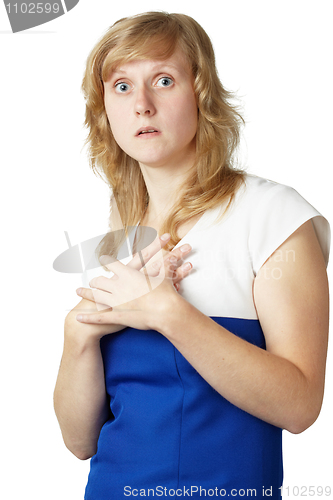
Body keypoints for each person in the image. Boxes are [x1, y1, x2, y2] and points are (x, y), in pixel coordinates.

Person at [53, 11, 330, 499]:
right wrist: (78, 334)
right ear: (104, 109)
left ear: (201, 92)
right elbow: (79, 443)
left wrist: (169, 313)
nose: (142, 105)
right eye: (121, 86)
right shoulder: (122, 226)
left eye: (163, 80)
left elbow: (300, 405)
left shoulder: (272, 216)